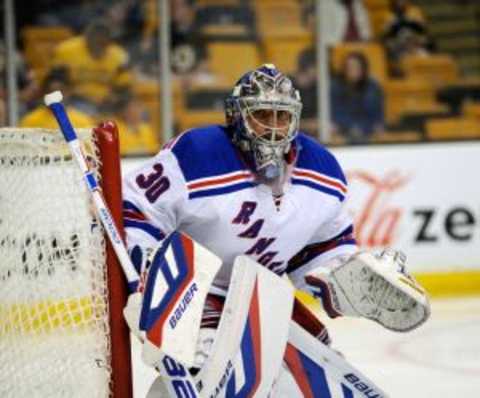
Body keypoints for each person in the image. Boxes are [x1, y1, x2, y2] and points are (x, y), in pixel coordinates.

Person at [122, 64, 429, 392]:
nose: (273, 127)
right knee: (216, 374)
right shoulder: (198, 154)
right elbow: (136, 210)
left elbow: (322, 246)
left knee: (315, 377)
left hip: (260, 297)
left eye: (281, 116)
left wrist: (339, 276)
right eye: (262, 115)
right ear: (237, 116)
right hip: (193, 294)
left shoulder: (321, 168)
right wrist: (148, 281)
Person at [51, 19, 132, 115]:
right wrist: (68, 94)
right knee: (87, 111)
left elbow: (125, 87)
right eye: (97, 40)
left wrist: (115, 98)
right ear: (87, 38)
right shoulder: (67, 50)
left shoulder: (118, 56)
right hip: (75, 99)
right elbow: (55, 81)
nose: (100, 44)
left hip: (106, 102)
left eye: (104, 41)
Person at [330, 52, 385, 143]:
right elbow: (335, 113)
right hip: (342, 131)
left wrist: (364, 127)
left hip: (369, 132)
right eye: (350, 67)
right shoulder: (335, 87)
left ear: (363, 69)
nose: (353, 70)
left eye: (357, 67)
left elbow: (377, 114)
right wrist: (351, 127)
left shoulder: (373, 87)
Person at [19, 66, 94, 129]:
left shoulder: (83, 121)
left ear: (68, 92)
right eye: (50, 91)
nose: (54, 97)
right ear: (44, 93)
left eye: (59, 91)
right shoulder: (30, 121)